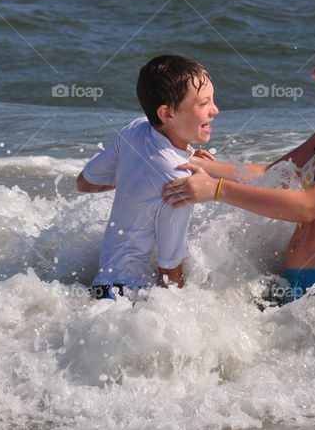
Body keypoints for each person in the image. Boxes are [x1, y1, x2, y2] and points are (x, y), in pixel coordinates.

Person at [162, 25, 315, 301]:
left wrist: (217, 190)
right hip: (297, 284)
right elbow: (274, 173)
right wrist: (204, 166)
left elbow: (308, 206)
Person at [77, 55, 219, 298]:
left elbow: (85, 183)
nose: (215, 110)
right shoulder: (179, 179)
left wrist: (137, 181)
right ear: (167, 114)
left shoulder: (136, 129)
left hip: (104, 288)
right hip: (131, 298)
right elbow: (170, 271)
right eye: (203, 103)